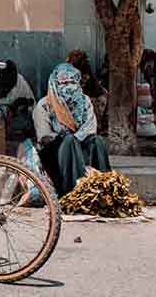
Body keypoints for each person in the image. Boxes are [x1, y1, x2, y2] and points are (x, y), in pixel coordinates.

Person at [32, 63, 111, 197]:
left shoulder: (85, 102)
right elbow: (44, 137)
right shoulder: (44, 105)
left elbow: (90, 128)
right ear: (55, 84)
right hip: (54, 154)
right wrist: (65, 138)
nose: (68, 87)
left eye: (72, 82)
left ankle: (106, 188)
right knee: (68, 140)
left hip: (79, 145)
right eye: (64, 83)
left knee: (97, 141)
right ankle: (73, 192)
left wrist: (76, 139)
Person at [66, 49, 108, 135]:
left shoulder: (85, 72)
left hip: (92, 98)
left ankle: (97, 127)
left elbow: (95, 90)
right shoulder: (69, 72)